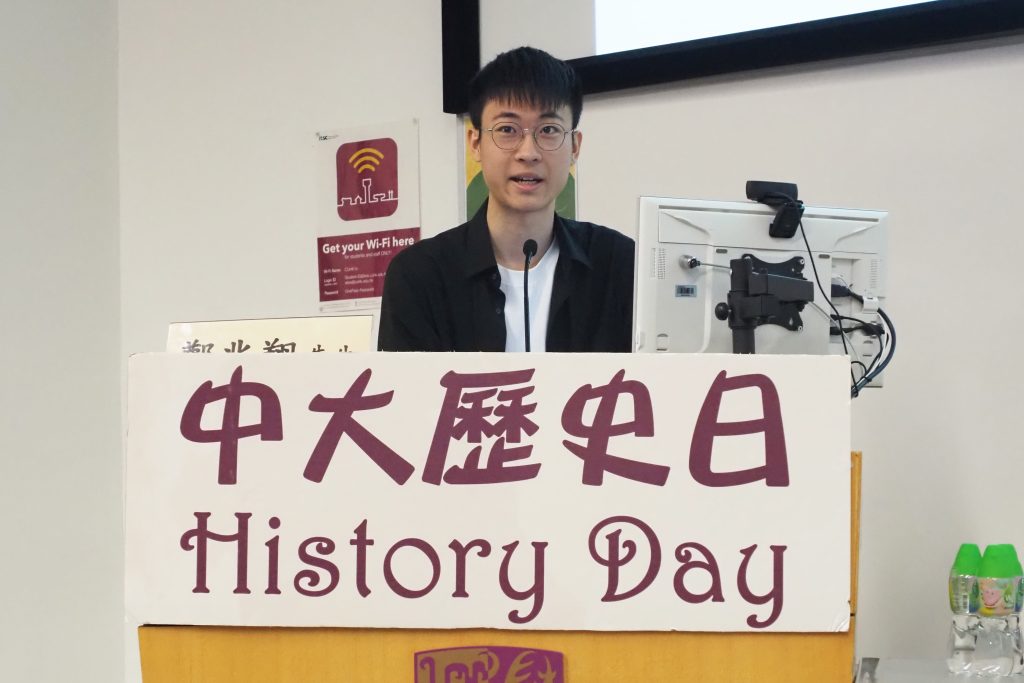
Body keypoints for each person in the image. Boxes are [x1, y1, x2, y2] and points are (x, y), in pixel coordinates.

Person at [377, 46, 634, 352]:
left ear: (575, 147)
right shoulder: (419, 275)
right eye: (507, 129)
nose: (528, 152)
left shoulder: (620, 265)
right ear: (476, 144)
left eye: (549, 129)